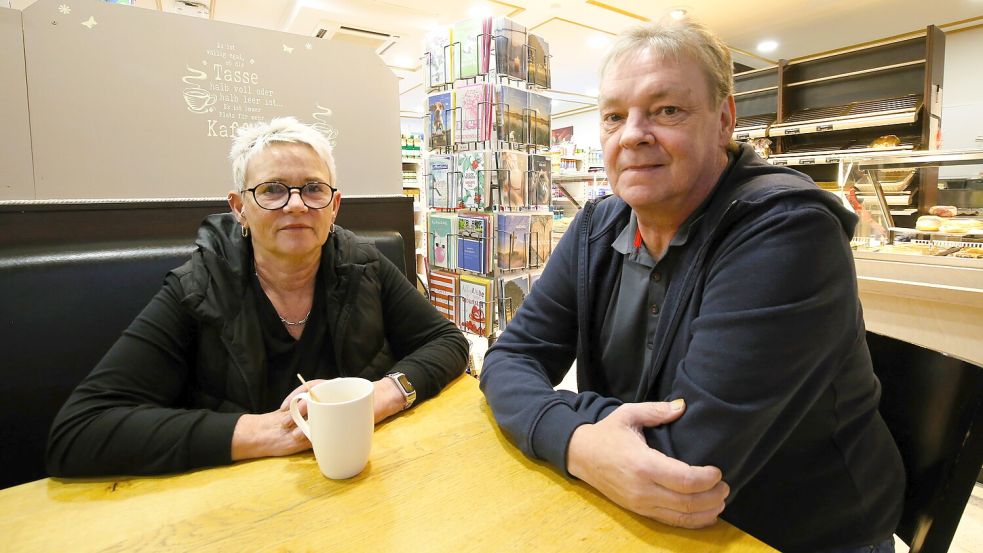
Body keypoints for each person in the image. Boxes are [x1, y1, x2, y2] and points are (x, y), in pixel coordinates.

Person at [480, 17, 904, 553]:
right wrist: (583, 442)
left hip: (787, 533)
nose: (633, 133)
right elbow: (509, 358)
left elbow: (688, 460)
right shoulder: (598, 225)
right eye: (614, 117)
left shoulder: (786, 230)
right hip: (640, 515)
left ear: (723, 119)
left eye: (666, 110)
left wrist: (558, 424)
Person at [47, 117, 468, 476]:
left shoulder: (364, 266)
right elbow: (80, 431)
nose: (297, 205)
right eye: (271, 190)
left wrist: (379, 396)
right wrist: (267, 432)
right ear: (239, 208)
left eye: (314, 189)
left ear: (334, 206)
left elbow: (449, 342)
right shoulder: (196, 288)